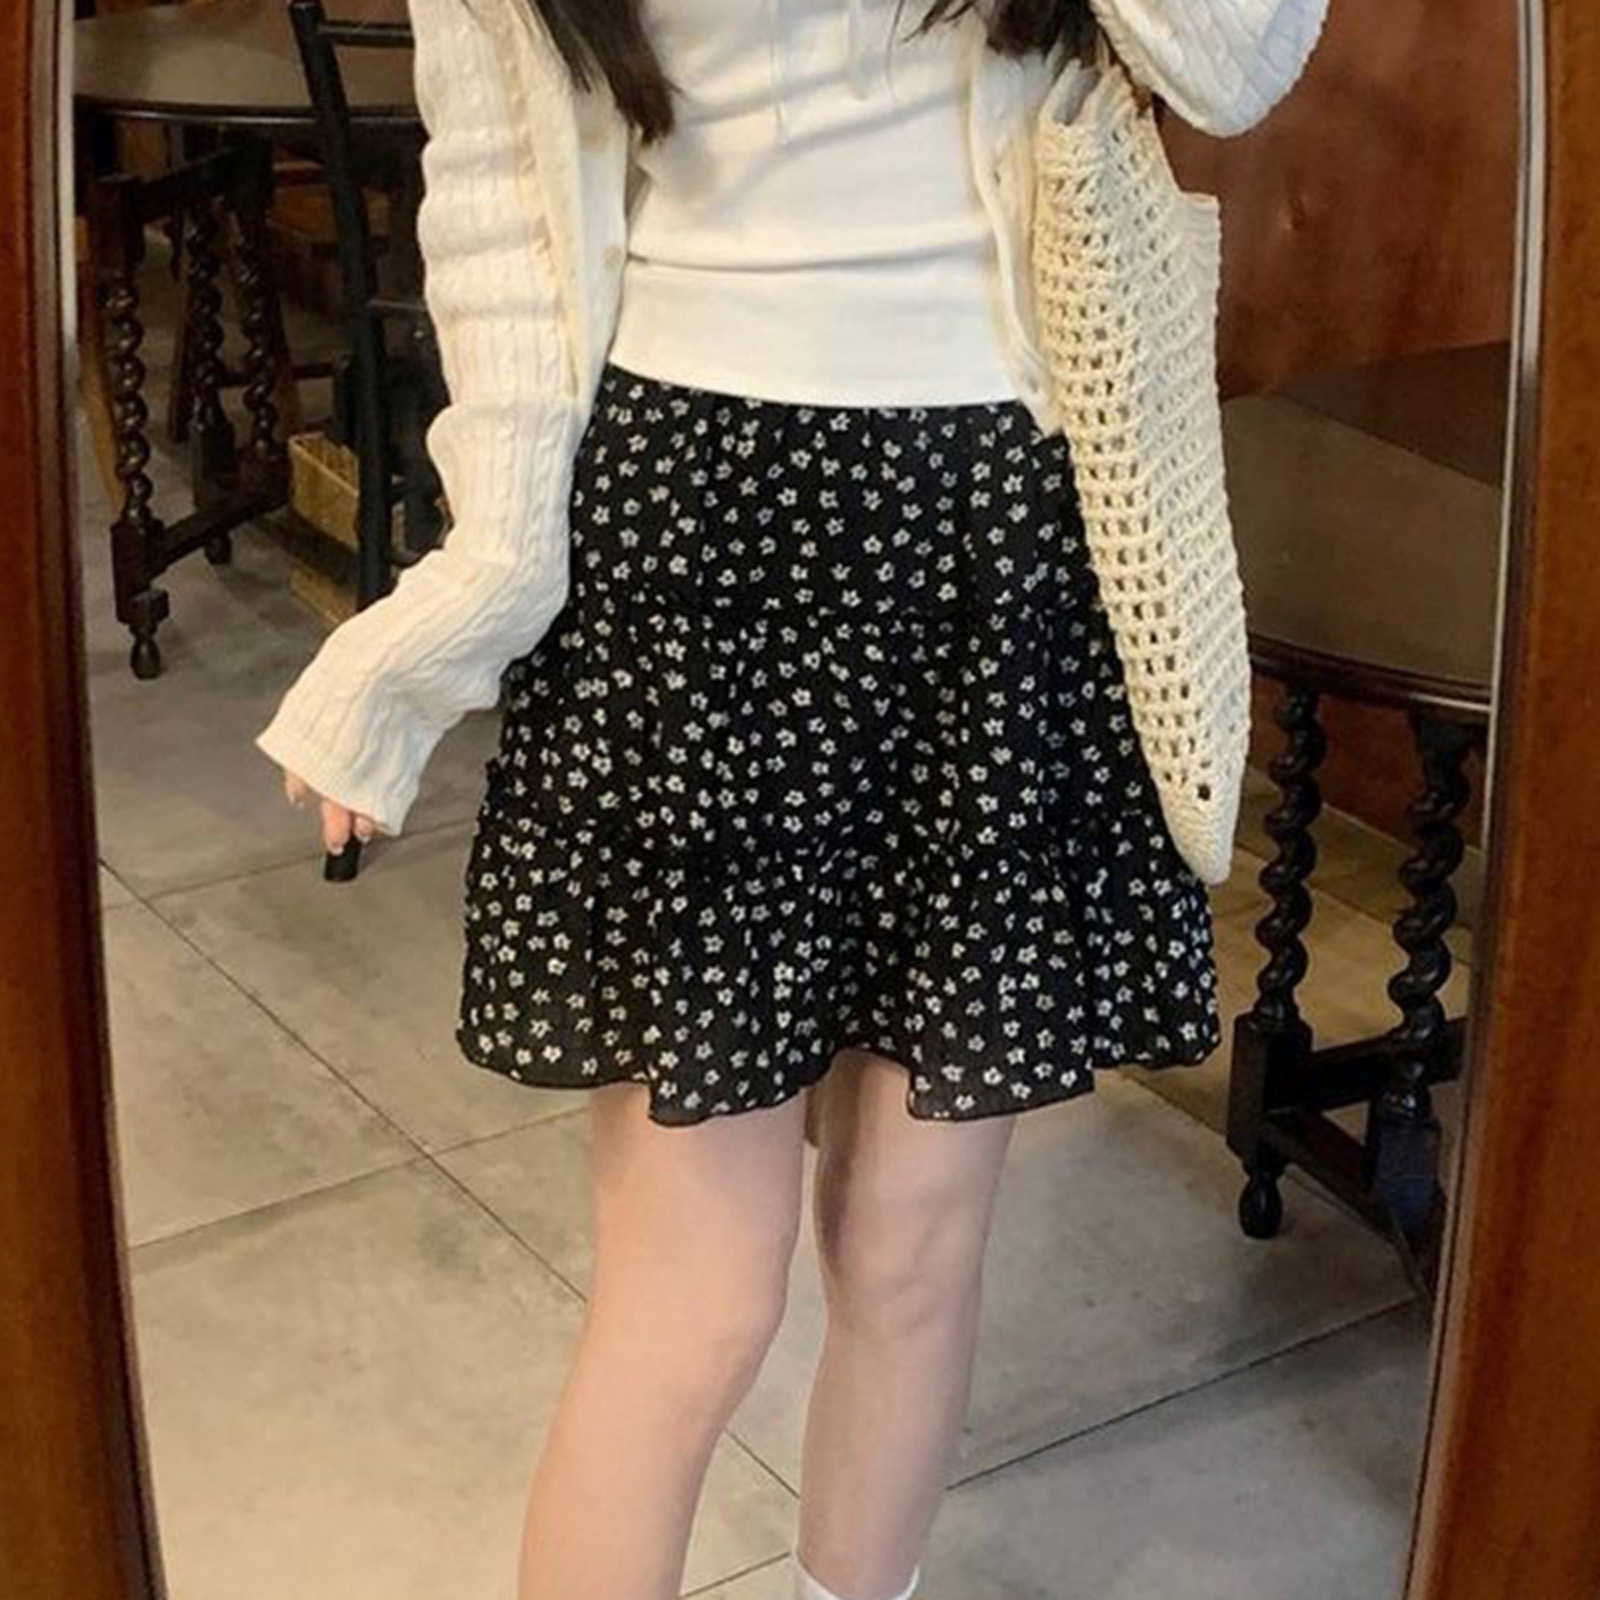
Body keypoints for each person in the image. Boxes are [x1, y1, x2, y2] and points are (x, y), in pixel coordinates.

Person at [257, 2, 1328, 1595]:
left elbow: (1232, 68)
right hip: (689, 536)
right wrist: (442, 622)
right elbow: (497, 219)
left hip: (1002, 533)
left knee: (909, 1250)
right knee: (696, 1299)